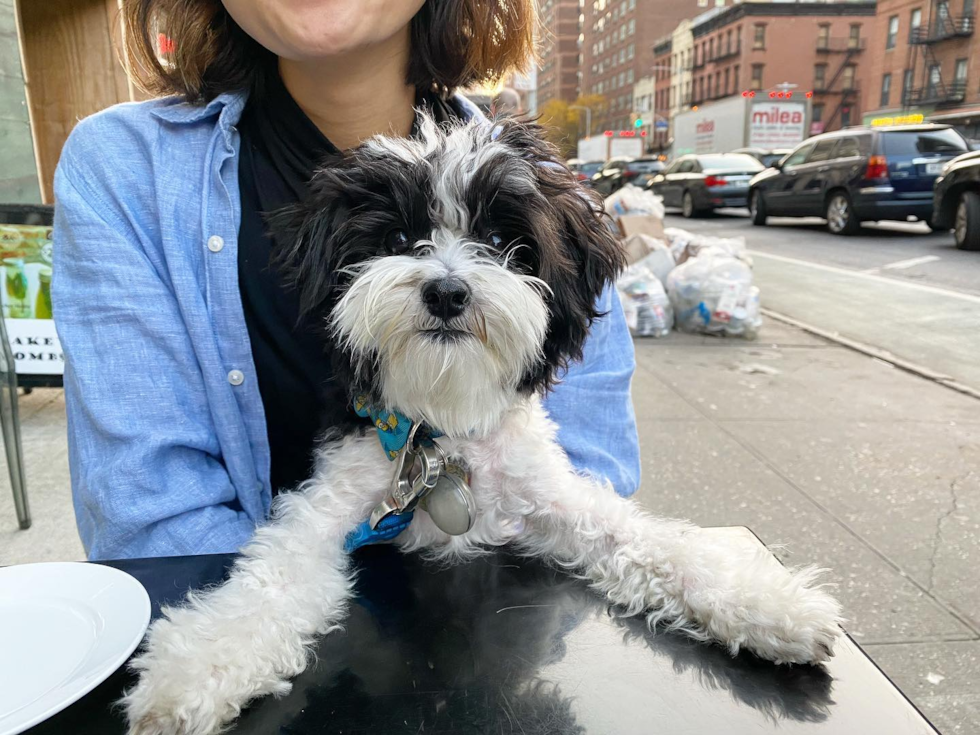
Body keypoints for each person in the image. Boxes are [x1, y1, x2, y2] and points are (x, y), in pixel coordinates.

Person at [52, 0, 640, 560]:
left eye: (494, 248)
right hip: (268, 634)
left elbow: (590, 495)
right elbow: (153, 529)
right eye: (395, 243)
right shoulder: (123, 170)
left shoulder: (542, 197)